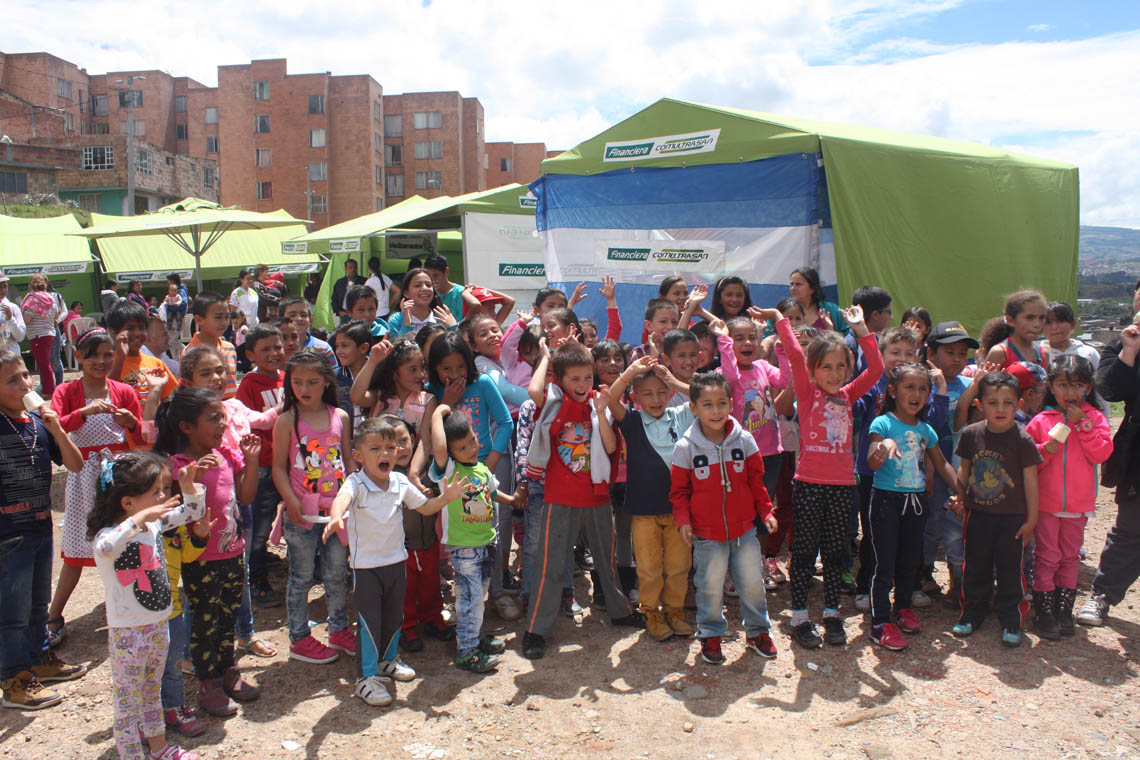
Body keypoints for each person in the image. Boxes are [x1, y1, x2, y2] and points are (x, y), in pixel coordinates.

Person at [326, 416, 463, 704]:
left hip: (395, 563)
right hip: (366, 569)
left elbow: (425, 507)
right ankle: (366, 678)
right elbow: (341, 498)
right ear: (358, 456)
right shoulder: (357, 483)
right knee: (368, 622)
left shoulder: (399, 482)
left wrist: (446, 497)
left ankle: (388, 660)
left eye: (389, 447)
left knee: (393, 616)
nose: (385, 454)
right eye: (375, 449)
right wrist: (336, 516)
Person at [521, 341, 643, 661]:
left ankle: (620, 611)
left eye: (587, 377)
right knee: (551, 565)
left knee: (608, 559)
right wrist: (546, 355)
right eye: (574, 378)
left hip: (597, 495)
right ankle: (536, 630)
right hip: (560, 498)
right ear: (559, 380)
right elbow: (534, 389)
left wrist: (604, 407)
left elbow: (611, 443)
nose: (582, 385)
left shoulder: (596, 402)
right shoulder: (554, 401)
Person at [776, 304, 882, 648]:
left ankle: (833, 614)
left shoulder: (850, 395)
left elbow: (878, 367)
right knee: (804, 552)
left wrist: (862, 329)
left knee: (836, 553)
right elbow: (793, 353)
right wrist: (780, 322)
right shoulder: (807, 393)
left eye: (841, 367)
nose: (834, 374)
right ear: (813, 370)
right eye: (826, 367)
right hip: (808, 485)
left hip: (842, 488)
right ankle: (799, 617)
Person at [89, 452, 204, 759]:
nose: (164, 497)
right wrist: (138, 520)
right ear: (128, 503)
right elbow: (106, 547)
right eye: (156, 493)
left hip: (157, 625)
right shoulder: (110, 537)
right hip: (128, 633)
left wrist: (189, 485)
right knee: (127, 705)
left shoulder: (153, 526)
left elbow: (193, 511)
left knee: (151, 695)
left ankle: (159, 748)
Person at [154, 387, 261, 715]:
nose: (223, 425)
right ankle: (207, 680)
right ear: (186, 426)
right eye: (213, 418)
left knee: (228, 614)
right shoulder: (177, 465)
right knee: (204, 620)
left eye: (224, 418)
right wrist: (190, 480)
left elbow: (245, 497)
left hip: (233, 551)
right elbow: (169, 516)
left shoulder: (228, 455)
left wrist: (252, 460)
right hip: (199, 557)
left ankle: (228, 668)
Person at [670, 371, 779, 664]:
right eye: (707, 404)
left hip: (744, 530)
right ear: (694, 408)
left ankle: (758, 631)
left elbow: (757, 481)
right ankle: (710, 634)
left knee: (753, 583)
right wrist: (683, 521)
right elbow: (679, 492)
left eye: (721, 403)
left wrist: (766, 511)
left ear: (731, 404)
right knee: (710, 585)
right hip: (707, 534)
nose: (715, 410)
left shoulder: (744, 441)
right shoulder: (685, 448)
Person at [178, 347, 279, 660]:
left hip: (237, 504)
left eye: (219, 371)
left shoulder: (233, 407)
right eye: (206, 373)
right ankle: (196, 651)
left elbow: (263, 420)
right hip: (198, 518)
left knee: (241, 571)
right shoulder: (181, 420)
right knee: (201, 587)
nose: (216, 378)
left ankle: (244, 633)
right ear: (187, 381)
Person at [45, 328, 143, 648]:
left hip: (119, 476)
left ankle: (129, 609)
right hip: (84, 476)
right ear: (79, 358)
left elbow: (141, 435)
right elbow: (56, 426)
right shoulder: (67, 391)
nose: (100, 361)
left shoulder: (122, 391)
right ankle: (55, 614)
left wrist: (131, 422)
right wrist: (82, 412)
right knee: (76, 550)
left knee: (125, 546)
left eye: (107, 355)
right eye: (92, 355)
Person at [0, 351, 86, 711]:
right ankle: (14, 680)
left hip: (39, 526)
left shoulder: (38, 424)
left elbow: (75, 463)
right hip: (8, 535)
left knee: (37, 604)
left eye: (26, 376)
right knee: (11, 611)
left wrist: (58, 428)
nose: (25, 385)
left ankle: (39, 659)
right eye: (13, 380)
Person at [865, 362, 962, 650]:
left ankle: (903, 607)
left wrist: (963, 492)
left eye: (923, 388)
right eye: (910, 387)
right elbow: (872, 460)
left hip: (917, 502)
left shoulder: (927, 429)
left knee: (909, 561)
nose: (916, 393)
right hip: (886, 502)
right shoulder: (882, 424)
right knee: (884, 563)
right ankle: (880, 622)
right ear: (893, 391)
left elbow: (942, 464)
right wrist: (881, 450)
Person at [271, 349, 352, 665]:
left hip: (335, 513)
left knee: (335, 574)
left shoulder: (340, 417)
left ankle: (339, 629)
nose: (304, 389)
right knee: (301, 577)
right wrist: (290, 501)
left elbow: (347, 461)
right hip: (301, 515)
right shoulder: (286, 421)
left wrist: (350, 499)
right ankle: (299, 637)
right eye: (297, 382)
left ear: (326, 382)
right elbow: (278, 467)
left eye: (312, 382)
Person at [951, 371, 1042, 646]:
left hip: (1013, 519)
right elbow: (964, 472)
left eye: (1007, 403)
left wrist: (1032, 521)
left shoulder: (1023, 440)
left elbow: (1031, 483)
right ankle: (971, 613)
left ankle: (1012, 618)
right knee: (975, 567)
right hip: (978, 516)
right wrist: (960, 496)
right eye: (993, 403)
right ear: (980, 404)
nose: (1000, 409)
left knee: (1011, 571)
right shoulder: (971, 434)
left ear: (1018, 404)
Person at [1024, 354, 1111, 639]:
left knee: (1070, 557)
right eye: (1062, 385)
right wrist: (1044, 451)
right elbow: (1027, 460)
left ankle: (1064, 609)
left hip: (1077, 505)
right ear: (1051, 386)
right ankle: (1044, 610)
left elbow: (1101, 453)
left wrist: (1084, 425)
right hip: (1047, 504)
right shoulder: (1041, 419)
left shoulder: (1095, 418)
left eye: (1077, 386)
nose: (1070, 393)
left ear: (1088, 388)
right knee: (1047, 555)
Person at [608, 357, 694, 642]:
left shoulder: (681, 414)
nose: (656, 399)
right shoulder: (632, 422)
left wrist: (672, 380)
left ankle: (675, 611)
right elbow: (610, 398)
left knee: (679, 565)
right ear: (635, 397)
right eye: (647, 393)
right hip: (644, 509)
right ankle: (651, 611)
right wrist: (630, 372)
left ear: (669, 393)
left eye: (661, 392)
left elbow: (703, 394)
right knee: (648, 566)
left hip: (679, 509)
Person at [428, 404, 513, 672]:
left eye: (472, 441)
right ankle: (466, 651)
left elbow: (493, 493)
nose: (471, 449)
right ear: (451, 454)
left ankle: (473, 639)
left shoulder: (481, 469)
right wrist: (437, 414)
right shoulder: (450, 470)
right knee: (469, 599)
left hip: (486, 543)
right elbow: (439, 448)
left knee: (480, 596)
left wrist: (514, 500)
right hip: (465, 548)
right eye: (462, 448)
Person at [1078, 303, 1140, 627]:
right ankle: (1102, 596)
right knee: (1130, 529)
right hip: (1137, 450)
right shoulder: (1121, 344)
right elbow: (1109, 389)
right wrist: (1130, 351)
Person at [921, 322, 979, 608]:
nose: (958, 358)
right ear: (930, 352)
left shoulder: (970, 385)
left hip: (958, 469)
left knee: (956, 527)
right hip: (927, 469)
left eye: (963, 353)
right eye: (950, 351)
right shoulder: (921, 384)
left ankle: (958, 581)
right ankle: (924, 574)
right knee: (928, 525)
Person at [235, 324, 286, 607]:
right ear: (251, 354)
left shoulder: (289, 379)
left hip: (292, 466)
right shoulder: (249, 385)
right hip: (265, 468)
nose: (273, 353)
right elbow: (247, 427)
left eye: (277, 347)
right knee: (259, 529)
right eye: (265, 349)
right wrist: (271, 452)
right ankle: (257, 582)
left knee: (296, 523)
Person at [106, 300, 178, 409]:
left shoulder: (156, 363)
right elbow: (106, 394)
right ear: (113, 332)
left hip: (150, 424)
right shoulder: (107, 364)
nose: (137, 333)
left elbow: (171, 395)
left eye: (141, 328)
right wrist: (121, 359)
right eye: (130, 329)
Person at [181, 291, 238, 400]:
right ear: (199, 320)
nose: (224, 322)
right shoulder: (190, 352)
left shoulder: (230, 347)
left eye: (227, 317)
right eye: (218, 317)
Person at [21, 274, 63, 396]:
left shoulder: (32, 300)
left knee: (43, 364)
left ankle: (48, 390)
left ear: (31, 285)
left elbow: (27, 319)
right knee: (47, 362)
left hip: (38, 335)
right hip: (50, 333)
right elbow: (56, 316)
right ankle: (48, 388)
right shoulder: (50, 298)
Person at [385, 269, 456, 340]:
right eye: (417, 285)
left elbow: (456, 347)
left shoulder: (441, 318)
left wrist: (453, 327)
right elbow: (396, 349)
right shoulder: (396, 320)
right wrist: (406, 325)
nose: (425, 288)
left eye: (428, 285)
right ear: (406, 293)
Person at [986, 289, 1048, 369]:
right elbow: (985, 381)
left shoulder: (1044, 353)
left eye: (1042, 318)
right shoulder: (1000, 353)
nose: (1037, 324)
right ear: (1010, 320)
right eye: (1029, 317)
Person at [331, 319, 374, 431]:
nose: (338, 351)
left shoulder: (377, 374)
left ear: (363, 348)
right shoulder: (333, 378)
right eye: (337, 346)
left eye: (344, 346)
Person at [280, 297, 338, 370]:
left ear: (310, 319)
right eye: (292, 315)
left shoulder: (324, 348)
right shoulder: (277, 347)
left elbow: (334, 376)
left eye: (303, 315)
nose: (299, 319)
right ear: (281, 319)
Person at [788, 266, 850, 335]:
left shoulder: (831, 310)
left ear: (812, 288)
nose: (793, 288)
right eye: (791, 284)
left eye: (798, 284)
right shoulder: (785, 310)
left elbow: (849, 336)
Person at [423, 253, 465, 319]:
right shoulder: (426, 294)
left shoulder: (461, 293)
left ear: (446, 271)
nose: (432, 280)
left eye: (435, 275)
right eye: (429, 276)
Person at [331, 259, 366, 324]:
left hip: (359, 314)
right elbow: (334, 299)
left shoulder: (363, 281)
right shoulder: (340, 283)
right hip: (345, 315)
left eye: (355, 267)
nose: (353, 270)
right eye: (350, 267)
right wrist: (338, 311)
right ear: (346, 270)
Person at [0, 275, 26, 356]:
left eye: (5, 286)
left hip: (11, 358)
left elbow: (20, 337)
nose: (3, 290)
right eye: (0, 287)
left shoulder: (13, 308)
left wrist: (10, 318)